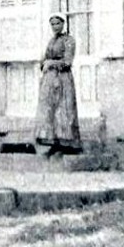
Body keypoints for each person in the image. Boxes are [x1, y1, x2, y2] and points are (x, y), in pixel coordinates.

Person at [36, 15, 82, 156]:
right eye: (53, 24)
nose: (55, 26)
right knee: (51, 110)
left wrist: (52, 63)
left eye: (58, 23)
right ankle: (54, 142)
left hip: (63, 79)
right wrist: (43, 63)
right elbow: (44, 59)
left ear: (63, 24)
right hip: (50, 80)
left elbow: (67, 61)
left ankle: (68, 143)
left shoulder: (69, 40)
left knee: (64, 110)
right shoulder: (51, 41)